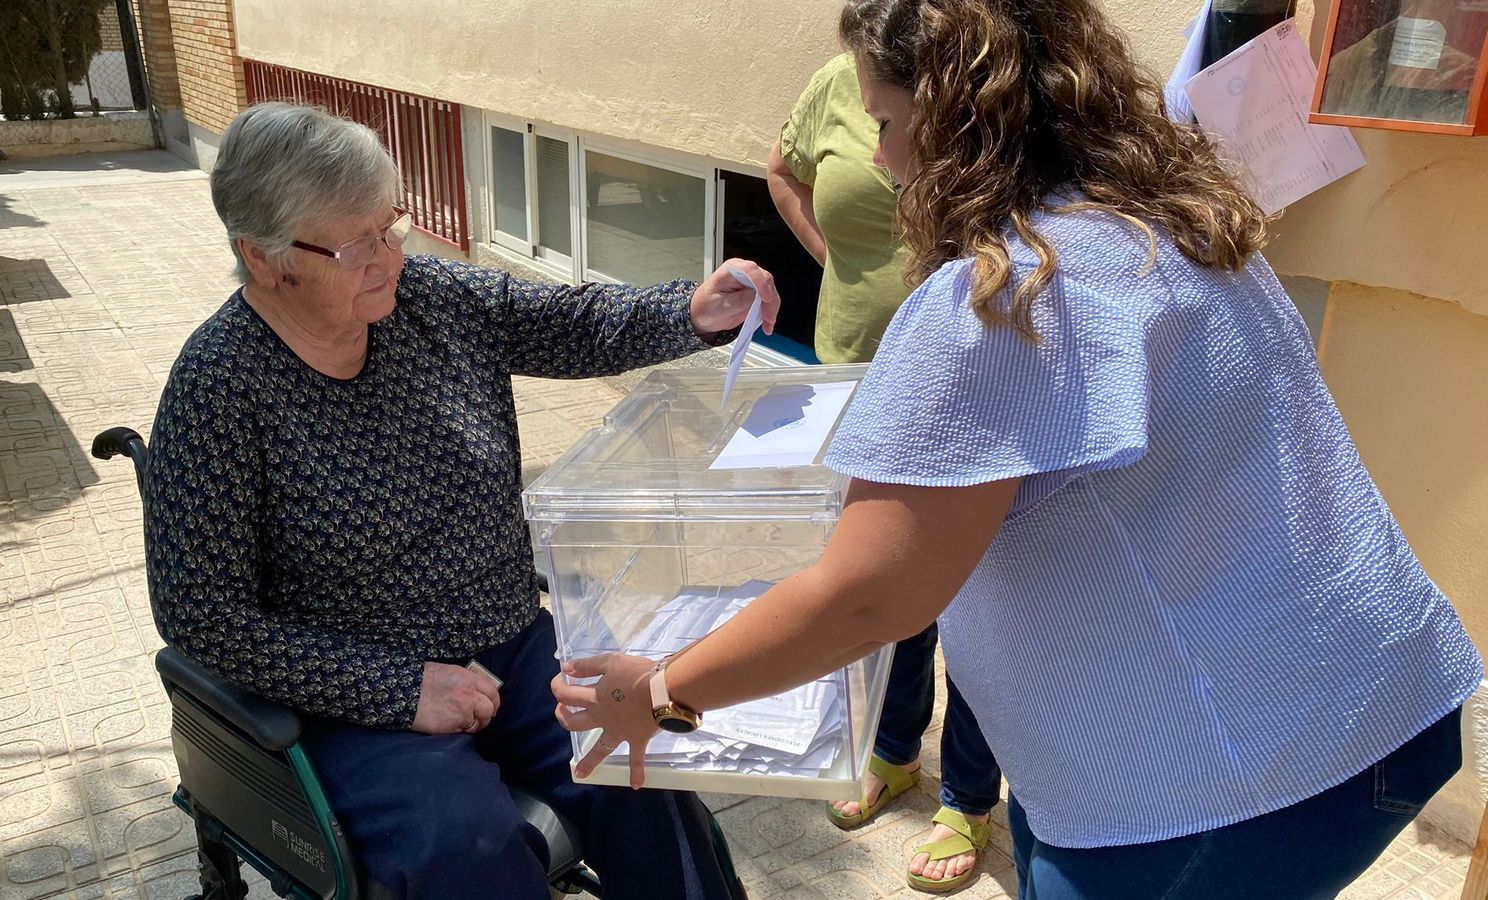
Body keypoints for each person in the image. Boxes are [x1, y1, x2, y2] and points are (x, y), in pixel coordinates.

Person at [552, 2, 1483, 898]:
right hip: (1376, 707)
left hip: (1225, 786)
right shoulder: (1174, 221)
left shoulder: (1002, 294)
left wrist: (666, 691)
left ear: (959, 115)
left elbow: (875, 594)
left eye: (885, 119)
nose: (879, 157)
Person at [143, 102, 781, 900]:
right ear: (264, 259)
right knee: (471, 851)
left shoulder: (432, 299)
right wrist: (397, 690)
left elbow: (566, 323)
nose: (388, 258)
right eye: (355, 245)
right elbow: (203, 616)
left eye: (389, 227)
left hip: (513, 643)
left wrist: (690, 312)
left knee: (641, 768)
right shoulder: (217, 388)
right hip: (355, 698)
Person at [768, 52, 999, 892]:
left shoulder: (986, 74)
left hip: (968, 390)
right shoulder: (840, 77)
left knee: (974, 598)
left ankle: (970, 795)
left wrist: (669, 693)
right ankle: (896, 750)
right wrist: (835, 256)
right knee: (883, 581)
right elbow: (781, 170)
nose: (877, 151)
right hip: (853, 376)